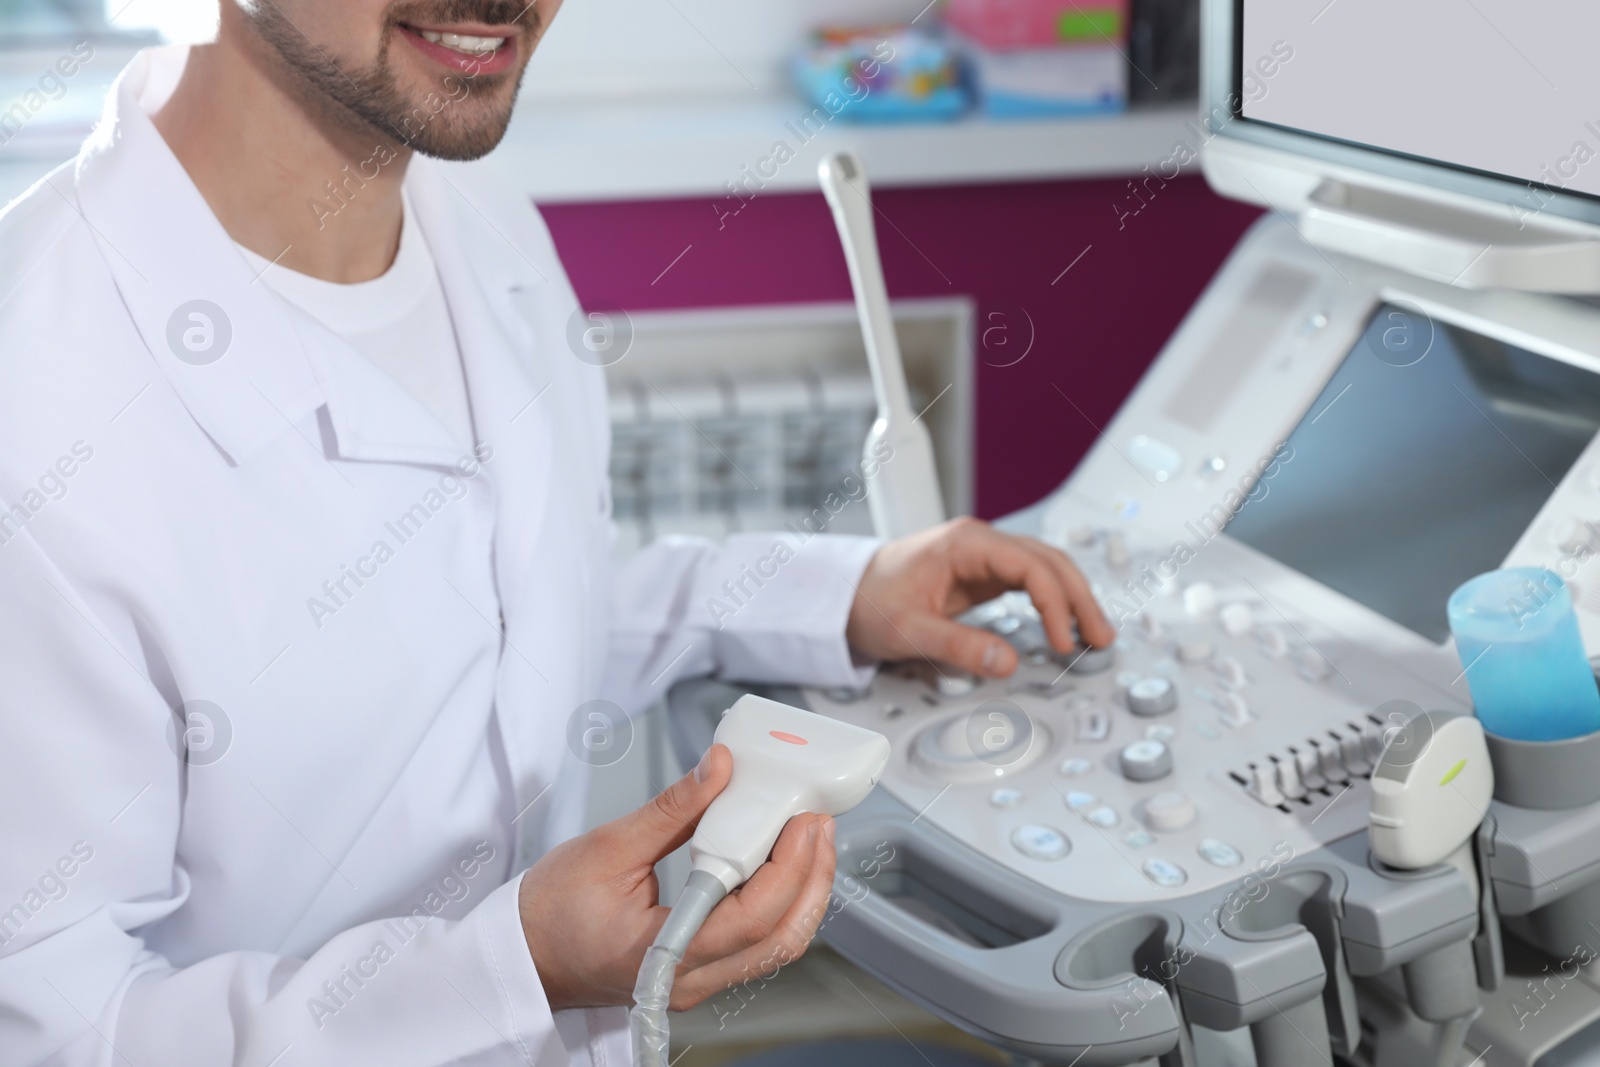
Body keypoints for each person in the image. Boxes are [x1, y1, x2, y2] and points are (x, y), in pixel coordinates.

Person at [0, 2, 1112, 1063]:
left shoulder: (477, 219)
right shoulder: (38, 404)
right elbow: (55, 1034)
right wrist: (509, 967)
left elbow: (500, 629)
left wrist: (834, 593)